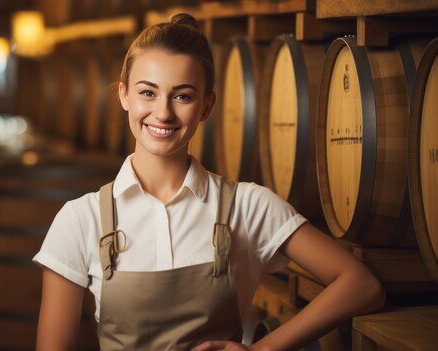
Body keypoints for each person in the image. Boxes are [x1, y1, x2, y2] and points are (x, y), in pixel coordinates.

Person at [33, 13, 385, 351]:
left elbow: (362, 286)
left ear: (207, 106)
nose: (164, 112)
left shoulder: (248, 206)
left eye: (182, 95)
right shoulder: (80, 219)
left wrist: (262, 349)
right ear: (124, 95)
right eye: (148, 92)